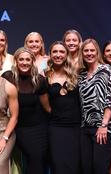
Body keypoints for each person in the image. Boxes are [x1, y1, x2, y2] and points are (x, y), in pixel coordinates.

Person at [2, 48, 51, 174]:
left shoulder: (39, 80)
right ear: (16, 61)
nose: (24, 62)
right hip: (18, 128)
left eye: (28, 59)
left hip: (38, 128)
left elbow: (47, 107)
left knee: (38, 159)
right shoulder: (8, 77)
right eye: (21, 59)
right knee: (32, 158)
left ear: (32, 61)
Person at [78, 39, 111, 174]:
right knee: (86, 167)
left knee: (100, 168)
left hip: (104, 128)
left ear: (97, 53)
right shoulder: (82, 75)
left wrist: (103, 125)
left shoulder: (106, 70)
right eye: (86, 50)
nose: (89, 53)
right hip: (86, 127)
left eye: (92, 50)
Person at [46, 41, 82, 174]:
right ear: (49, 55)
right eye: (54, 52)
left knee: (75, 165)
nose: (58, 55)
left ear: (67, 55)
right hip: (56, 128)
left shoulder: (76, 75)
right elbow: (45, 105)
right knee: (58, 164)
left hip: (75, 127)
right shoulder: (45, 76)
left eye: (62, 52)